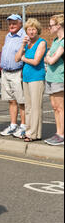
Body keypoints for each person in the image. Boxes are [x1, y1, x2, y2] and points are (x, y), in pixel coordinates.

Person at [15, 18, 47, 142]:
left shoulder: (41, 42)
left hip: (37, 78)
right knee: (28, 107)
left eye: (33, 29)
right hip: (26, 78)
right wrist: (23, 45)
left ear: (37, 30)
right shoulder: (27, 44)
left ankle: (33, 134)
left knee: (35, 107)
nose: (31, 32)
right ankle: (29, 131)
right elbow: (16, 58)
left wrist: (24, 58)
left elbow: (36, 61)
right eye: (29, 29)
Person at [0, 14, 27, 138]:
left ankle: (24, 126)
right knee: (11, 100)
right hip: (5, 72)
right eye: (9, 23)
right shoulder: (7, 36)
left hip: (18, 72)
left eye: (14, 23)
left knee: (22, 101)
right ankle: (13, 125)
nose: (11, 25)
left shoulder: (24, 36)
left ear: (20, 23)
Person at [44, 14, 64, 146]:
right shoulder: (56, 41)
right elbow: (48, 57)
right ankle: (58, 133)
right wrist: (48, 58)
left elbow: (51, 59)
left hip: (59, 77)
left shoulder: (63, 42)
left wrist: (48, 58)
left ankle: (62, 134)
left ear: (58, 26)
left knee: (61, 108)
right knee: (54, 107)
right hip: (50, 77)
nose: (49, 28)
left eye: (51, 25)